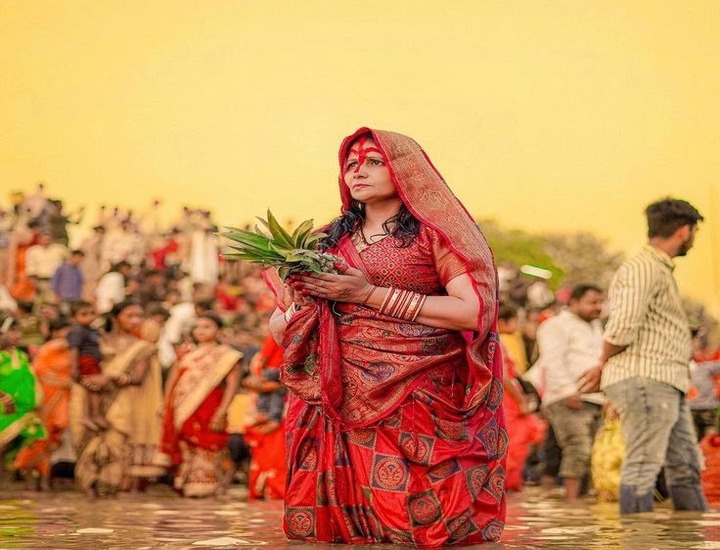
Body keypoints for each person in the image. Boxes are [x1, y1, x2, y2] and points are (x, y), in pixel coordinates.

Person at [267, 128, 505, 546]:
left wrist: (368, 294)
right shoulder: (324, 241)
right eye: (352, 163)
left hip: (416, 389)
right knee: (333, 529)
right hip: (332, 390)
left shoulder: (438, 234)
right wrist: (298, 302)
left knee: (416, 522)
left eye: (374, 161)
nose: (358, 171)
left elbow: (473, 311)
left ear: (405, 169)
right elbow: (280, 329)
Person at [578, 198, 707, 514]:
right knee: (643, 465)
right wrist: (602, 363)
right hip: (647, 379)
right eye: (694, 232)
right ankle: (637, 541)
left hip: (665, 380)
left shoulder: (657, 268)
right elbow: (622, 327)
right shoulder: (644, 266)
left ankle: (689, 536)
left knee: (686, 464)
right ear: (684, 231)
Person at [74, 300, 165, 497]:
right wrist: (91, 381)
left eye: (139, 316)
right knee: (88, 441)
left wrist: (110, 377)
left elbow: (138, 379)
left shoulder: (143, 347)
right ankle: (88, 488)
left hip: (120, 401)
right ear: (116, 318)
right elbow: (80, 364)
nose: (135, 320)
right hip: (89, 396)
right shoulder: (96, 339)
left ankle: (109, 489)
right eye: (130, 316)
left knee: (115, 443)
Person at [533, 284, 605, 501]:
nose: (598, 307)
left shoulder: (596, 327)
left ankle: (582, 506)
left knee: (595, 454)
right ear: (573, 302)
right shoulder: (555, 325)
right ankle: (570, 503)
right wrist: (568, 391)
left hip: (596, 398)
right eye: (592, 302)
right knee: (578, 449)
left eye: (601, 302)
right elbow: (552, 361)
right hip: (568, 398)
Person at [161, 312, 242, 497]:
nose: (200, 331)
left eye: (207, 327)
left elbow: (232, 386)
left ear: (219, 331)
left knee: (208, 444)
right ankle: (186, 482)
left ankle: (206, 485)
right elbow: (172, 381)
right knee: (185, 445)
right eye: (197, 327)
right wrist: (166, 406)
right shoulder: (185, 354)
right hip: (181, 409)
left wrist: (222, 411)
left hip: (210, 408)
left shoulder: (228, 355)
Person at [14, 318, 73, 490]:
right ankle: (32, 480)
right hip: (45, 400)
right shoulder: (50, 349)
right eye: (65, 332)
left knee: (52, 440)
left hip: (62, 399)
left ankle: (45, 479)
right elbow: (38, 371)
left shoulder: (67, 349)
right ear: (54, 332)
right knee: (40, 439)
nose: (67, 336)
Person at [497, 305, 544, 492]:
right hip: (507, 401)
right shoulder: (501, 341)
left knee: (507, 446)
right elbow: (504, 376)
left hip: (503, 399)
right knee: (511, 448)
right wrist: (521, 400)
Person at [0, 317, 47, 483]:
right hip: (4, 411)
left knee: (20, 446)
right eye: (12, 331)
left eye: (19, 330)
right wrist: (4, 397)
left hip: (23, 411)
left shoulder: (20, 355)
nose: (17, 335)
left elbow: (30, 380)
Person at [68, 301, 106, 430]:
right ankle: (91, 415)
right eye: (84, 314)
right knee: (93, 388)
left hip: (94, 362)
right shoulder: (78, 331)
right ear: (74, 318)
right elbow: (74, 350)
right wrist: (74, 368)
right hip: (86, 361)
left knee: (93, 389)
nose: (89, 317)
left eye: (92, 313)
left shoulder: (92, 330)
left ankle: (92, 415)